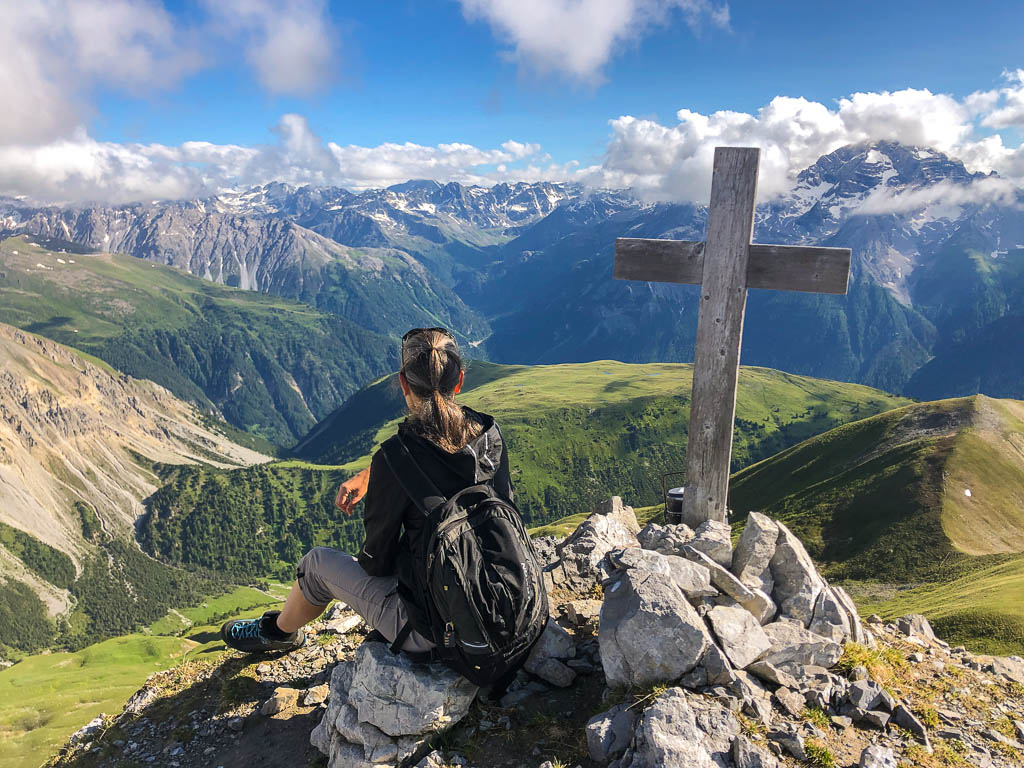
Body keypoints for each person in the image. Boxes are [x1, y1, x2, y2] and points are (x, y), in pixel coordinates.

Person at [221, 327, 515, 655]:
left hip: (443, 634)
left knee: (316, 563)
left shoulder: (396, 457)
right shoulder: (490, 434)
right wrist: (374, 473)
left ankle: (277, 633)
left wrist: (386, 480)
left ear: (403, 383)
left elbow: (376, 563)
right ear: (459, 380)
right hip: (513, 611)